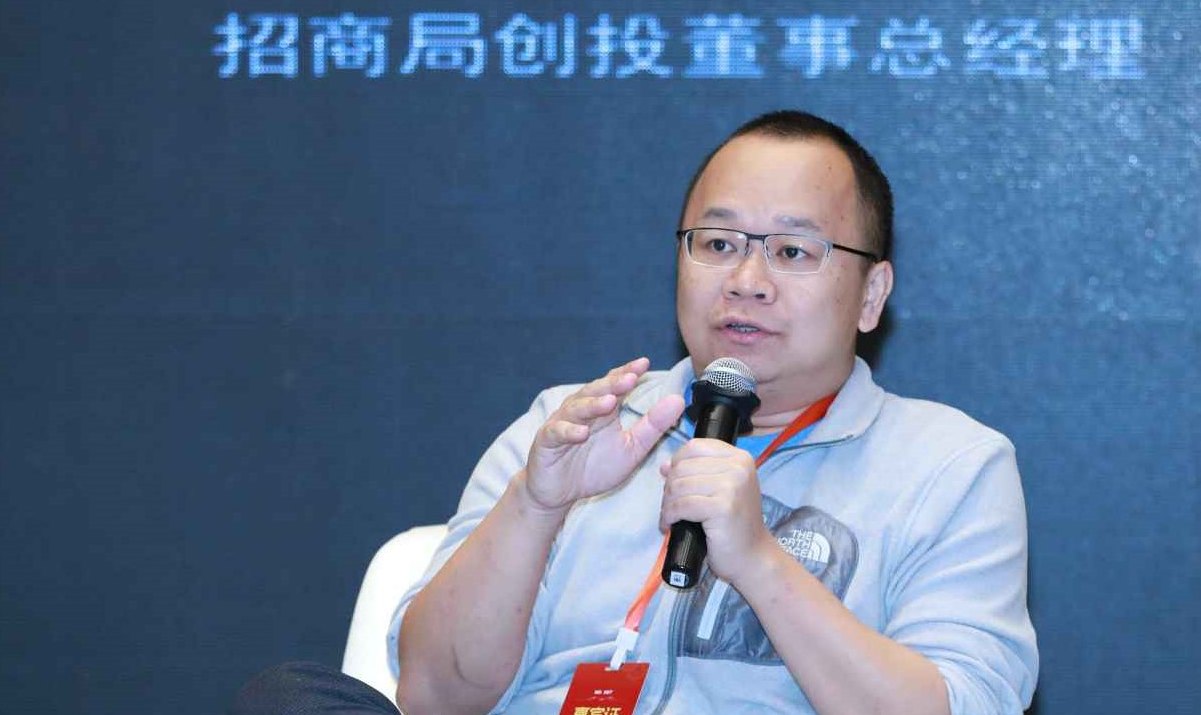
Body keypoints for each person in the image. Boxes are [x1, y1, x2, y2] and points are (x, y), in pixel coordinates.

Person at [231, 111, 1037, 715]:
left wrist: (759, 560)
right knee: (292, 699)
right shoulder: (570, 425)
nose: (746, 280)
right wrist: (536, 504)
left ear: (870, 293)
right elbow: (434, 697)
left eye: (792, 251)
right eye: (716, 243)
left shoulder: (949, 465)